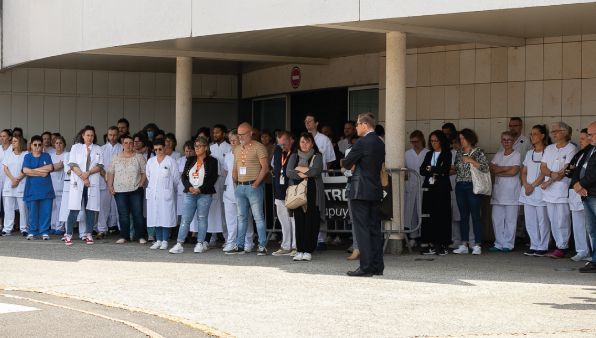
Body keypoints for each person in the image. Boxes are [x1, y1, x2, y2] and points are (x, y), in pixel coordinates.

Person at [343, 113, 385, 277]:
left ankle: (366, 267)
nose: (356, 127)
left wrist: (352, 162)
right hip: (375, 190)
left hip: (360, 190)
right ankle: (377, 266)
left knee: (362, 229)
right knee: (374, 228)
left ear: (365, 125)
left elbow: (347, 162)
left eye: (357, 124)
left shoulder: (362, 142)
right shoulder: (380, 142)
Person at [169, 137, 218, 254]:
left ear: (206, 147)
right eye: (195, 146)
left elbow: (212, 178)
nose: (196, 148)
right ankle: (179, 244)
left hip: (204, 194)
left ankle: (200, 243)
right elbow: (184, 177)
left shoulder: (212, 161)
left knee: (202, 219)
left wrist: (200, 189)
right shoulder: (190, 159)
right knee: (185, 219)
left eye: (199, 146)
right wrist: (189, 187)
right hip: (190, 193)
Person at [229, 122, 270, 255]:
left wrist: (256, 183)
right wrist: (235, 182)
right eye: (238, 134)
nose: (240, 137)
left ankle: (262, 246)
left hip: (253, 186)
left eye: (242, 134)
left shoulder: (259, 147)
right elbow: (234, 167)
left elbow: (265, 168)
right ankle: (240, 245)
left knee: (258, 217)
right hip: (240, 187)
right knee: (241, 217)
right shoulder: (237, 149)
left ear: (250, 133)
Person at [540, 122, 577, 258]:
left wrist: (549, 181)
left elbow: (565, 170)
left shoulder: (571, 148)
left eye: (556, 131)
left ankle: (563, 246)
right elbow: (542, 167)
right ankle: (558, 245)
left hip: (562, 189)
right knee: (553, 219)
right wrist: (550, 175)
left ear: (565, 132)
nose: (553, 133)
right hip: (549, 191)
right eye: (552, 131)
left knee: (562, 219)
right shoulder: (549, 148)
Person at [286, 132, 324, 262]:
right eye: (302, 141)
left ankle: (308, 250)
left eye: (307, 142)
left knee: (311, 220)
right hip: (297, 192)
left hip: (313, 192)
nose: (305, 144)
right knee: (299, 220)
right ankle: (300, 249)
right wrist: (305, 173)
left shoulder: (317, 156)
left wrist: (299, 170)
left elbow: (316, 171)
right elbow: (289, 172)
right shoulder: (294, 156)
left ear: (312, 143)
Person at [453, 128, 489, 255]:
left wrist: (472, 161)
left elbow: (485, 167)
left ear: (470, 139)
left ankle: (477, 244)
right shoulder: (458, 152)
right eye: (460, 139)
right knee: (463, 216)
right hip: (460, 185)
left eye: (463, 138)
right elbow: (456, 167)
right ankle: (464, 244)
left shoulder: (478, 152)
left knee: (475, 215)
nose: (461, 141)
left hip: (473, 185)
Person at [65, 126, 104, 246]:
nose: (90, 137)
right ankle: (68, 234)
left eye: (92, 135)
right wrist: (83, 177)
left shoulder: (98, 148)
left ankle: (88, 234)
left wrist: (88, 174)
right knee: (74, 209)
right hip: (78, 182)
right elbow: (72, 164)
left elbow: (100, 166)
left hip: (92, 182)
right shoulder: (76, 147)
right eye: (87, 135)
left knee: (90, 210)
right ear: (83, 136)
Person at [107, 134, 147, 244]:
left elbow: (145, 171)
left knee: (137, 214)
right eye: (126, 143)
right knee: (123, 214)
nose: (128, 145)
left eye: (131, 143)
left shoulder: (139, 157)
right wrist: (110, 186)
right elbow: (110, 172)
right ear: (122, 144)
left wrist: (141, 183)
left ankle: (140, 236)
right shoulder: (116, 157)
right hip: (119, 191)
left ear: (133, 144)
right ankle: (124, 236)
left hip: (135, 189)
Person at [304, 114, 336, 250]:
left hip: (320, 179)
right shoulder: (303, 139)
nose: (307, 123)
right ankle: (308, 237)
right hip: (305, 179)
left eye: (310, 121)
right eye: (305, 121)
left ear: (316, 123)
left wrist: (322, 172)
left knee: (320, 208)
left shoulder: (324, 139)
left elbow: (329, 161)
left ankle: (321, 239)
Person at [419, 130, 452, 256]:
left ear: (441, 141)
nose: (433, 143)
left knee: (442, 215)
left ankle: (443, 244)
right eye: (431, 141)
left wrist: (432, 169)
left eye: (436, 141)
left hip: (442, 189)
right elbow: (422, 170)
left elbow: (445, 169)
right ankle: (429, 244)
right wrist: (433, 170)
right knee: (429, 215)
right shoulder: (429, 154)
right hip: (429, 188)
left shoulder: (446, 153)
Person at [519, 125, 551, 256]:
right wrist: (526, 184)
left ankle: (543, 246)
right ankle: (534, 244)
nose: (532, 136)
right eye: (531, 134)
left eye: (535, 134)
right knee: (530, 220)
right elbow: (524, 171)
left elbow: (544, 172)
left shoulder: (548, 151)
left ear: (543, 136)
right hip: (528, 191)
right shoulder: (529, 153)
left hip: (540, 190)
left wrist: (532, 185)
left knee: (542, 220)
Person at [222, 130, 255, 253]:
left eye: (234, 140)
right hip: (229, 190)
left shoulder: (247, 153)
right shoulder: (228, 155)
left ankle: (248, 242)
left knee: (245, 217)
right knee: (230, 218)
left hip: (243, 189)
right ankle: (231, 242)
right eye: (230, 140)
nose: (232, 142)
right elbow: (226, 172)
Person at [489, 131, 521, 252]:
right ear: (501, 141)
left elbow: (514, 172)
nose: (506, 142)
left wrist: (499, 169)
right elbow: (491, 169)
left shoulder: (516, 154)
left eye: (509, 140)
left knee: (510, 220)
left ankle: (508, 244)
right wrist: (506, 168)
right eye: (504, 140)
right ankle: (498, 243)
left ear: (513, 142)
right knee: (496, 218)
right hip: (498, 192)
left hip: (511, 191)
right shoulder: (498, 154)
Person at [146, 139, 180, 251]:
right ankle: (158, 240)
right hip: (154, 194)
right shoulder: (151, 161)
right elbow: (148, 176)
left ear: (164, 148)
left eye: (160, 149)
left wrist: (168, 189)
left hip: (166, 194)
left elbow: (176, 179)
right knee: (155, 217)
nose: (158, 151)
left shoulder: (171, 161)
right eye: (155, 149)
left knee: (165, 217)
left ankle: (165, 241)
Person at [22, 135, 56, 240]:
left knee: (46, 211)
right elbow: (25, 171)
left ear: (42, 146)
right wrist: (41, 173)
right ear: (31, 146)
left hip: (46, 189)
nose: (37, 147)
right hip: (32, 189)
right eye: (35, 145)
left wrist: (33, 171)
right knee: (32, 212)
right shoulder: (27, 157)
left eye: (39, 145)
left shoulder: (46, 156)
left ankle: (44, 231)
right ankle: (32, 231)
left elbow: (50, 167)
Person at [573, 121, 596, 272]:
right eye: (588, 134)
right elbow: (578, 168)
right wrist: (577, 184)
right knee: (592, 230)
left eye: (592, 134)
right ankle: (595, 261)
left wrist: (581, 185)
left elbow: (594, 173)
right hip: (586, 195)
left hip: (593, 194)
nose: (589, 137)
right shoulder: (590, 150)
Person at [567, 128, 592, 261]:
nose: (580, 141)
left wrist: (581, 184)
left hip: (587, 190)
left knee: (590, 224)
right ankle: (581, 250)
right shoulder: (580, 153)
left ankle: (592, 252)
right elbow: (570, 170)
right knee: (578, 224)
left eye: (583, 138)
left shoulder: (592, 152)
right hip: (574, 190)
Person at [271, 131, 297, 256]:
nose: (282, 146)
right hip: (279, 190)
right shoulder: (277, 151)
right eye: (279, 144)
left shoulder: (296, 152)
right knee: (283, 219)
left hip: (292, 189)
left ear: (290, 140)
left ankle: (296, 246)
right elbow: (273, 166)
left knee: (293, 219)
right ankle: (285, 245)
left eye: (284, 143)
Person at [207, 124, 231, 246]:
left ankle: (227, 237)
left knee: (225, 209)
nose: (215, 134)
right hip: (213, 181)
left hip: (225, 181)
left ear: (223, 133)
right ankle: (212, 235)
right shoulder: (210, 148)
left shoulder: (229, 147)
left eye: (217, 132)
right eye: (214, 132)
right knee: (213, 208)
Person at [97, 126, 122, 239]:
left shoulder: (122, 148)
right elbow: (99, 166)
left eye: (114, 135)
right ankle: (102, 229)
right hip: (104, 181)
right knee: (103, 206)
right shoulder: (101, 149)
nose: (112, 137)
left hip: (120, 182)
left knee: (120, 207)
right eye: (110, 135)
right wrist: (107, 178)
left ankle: (123, 230)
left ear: (118, 135)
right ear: (107, 136)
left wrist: (114, 180)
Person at [404, 130, 429, 244]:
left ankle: (425, 236)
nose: (414, 144)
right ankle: (413, 237)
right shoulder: (407, 153)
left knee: (423, 211)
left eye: (416, 141)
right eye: (412, 142)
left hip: (424, 185)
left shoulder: (427, 153)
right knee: (412, 211)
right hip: (411, 186)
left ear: (422, 140)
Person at [2, 136, 28, 236]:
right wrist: (13, 179)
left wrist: (17, 180)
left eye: (15, 141)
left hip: (21, 184)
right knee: (8, 208)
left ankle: (24, 228)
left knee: (23, 208)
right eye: (12, 141)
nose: (13, 143)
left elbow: (26, 168)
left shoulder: (26, 154)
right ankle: (7, 229)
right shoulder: (8, 154)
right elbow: (5, 168)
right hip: (9, 184)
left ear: (20, 142)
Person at [49, 136, 67, 235]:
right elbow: (48, 168)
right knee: (53, 206)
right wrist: (55, 166)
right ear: (54, 144)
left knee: (61, 206)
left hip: (62, 184)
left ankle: (60, 227)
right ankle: (53, 225)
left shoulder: (67, 155)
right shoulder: (50, 155)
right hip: (52, 184)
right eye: (56, 143)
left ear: (64, 144)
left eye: (60, 143)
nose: (58, 145)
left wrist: (53, 167)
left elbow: (61, 166)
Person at [0, 129, 13, 230]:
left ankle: (10, 226)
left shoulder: (13, 148)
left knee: (9, 204)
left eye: (4, 136)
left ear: (9, 138)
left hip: (9, 179)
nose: (2, 138)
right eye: (1, 136)